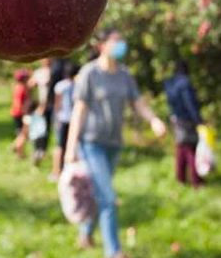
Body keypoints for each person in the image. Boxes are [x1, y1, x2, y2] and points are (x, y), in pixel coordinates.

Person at [65, 29, 167, 258]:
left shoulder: (124, 75)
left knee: (100, 193)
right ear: (102, 45)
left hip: (114, 144)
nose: (121, 44)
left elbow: (137, 102)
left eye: (122, 40)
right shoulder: (89, 73)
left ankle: (85, 233)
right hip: (92, 143)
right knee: (108, 198)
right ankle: (114, 252)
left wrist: (154, 120)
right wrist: (71, 148)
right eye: (116, 40)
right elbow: (79, 112)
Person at [163, 60, 203, 188]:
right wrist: (198, 120)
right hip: (187, 119)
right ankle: (196, 180)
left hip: (175, 118)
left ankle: (181, 178)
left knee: (181, 148)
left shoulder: (169, 83)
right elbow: (189, 103)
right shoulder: (184, 83)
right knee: (190, 148)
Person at [49, 62, 80, 181]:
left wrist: (55, 117)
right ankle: (69, 171)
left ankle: (56, 171)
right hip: (74, 120)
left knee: (59, 146)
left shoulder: (60, 86)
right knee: (72, 145)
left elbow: (57, 104)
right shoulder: (78, 85)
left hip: (62, 118)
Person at [29, 58, 52, 163]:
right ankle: (37, 149)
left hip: (50, 105)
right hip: (39, 104)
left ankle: (42, 150)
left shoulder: (53, 71)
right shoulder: (38, 72)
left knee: (46, 128)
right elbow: (30, 85)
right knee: (38, 128)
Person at [11, 69, 31, 158]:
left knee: (21, 133)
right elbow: (19, 103)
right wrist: (23, 114)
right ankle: (19, 153)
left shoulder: (18, 87)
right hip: (20, 113)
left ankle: (15, 147)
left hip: (17, 113)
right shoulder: (21, 88)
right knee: (22, 134)